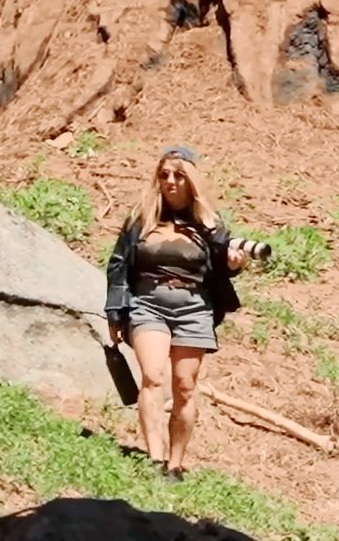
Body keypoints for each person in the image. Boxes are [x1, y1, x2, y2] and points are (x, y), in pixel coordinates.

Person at [104, 145, 251, 479]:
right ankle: (154, 459)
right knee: (153, 377)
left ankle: (176, 464)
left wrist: (234, 265)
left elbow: (222, 267)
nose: (170, 182)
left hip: (194, 309)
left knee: (185, 385)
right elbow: (118, 264)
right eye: (164, 175)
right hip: (148, 304)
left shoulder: (210, 225)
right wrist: (116, 311)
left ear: (192, 180)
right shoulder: (141, 218)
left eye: (179, 175)